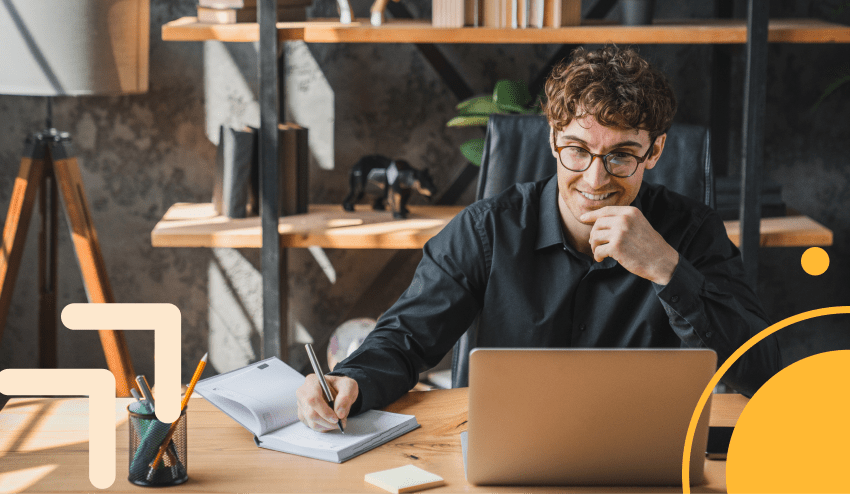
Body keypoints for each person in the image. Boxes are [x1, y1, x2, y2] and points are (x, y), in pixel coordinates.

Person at [296, 45, 782, 432]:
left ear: (655, 151)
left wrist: (668, 271)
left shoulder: (692, 232)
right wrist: (351, 380)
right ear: (552, 139)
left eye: (621, 155)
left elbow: (762, 372)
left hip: (641, 469)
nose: (595, 180)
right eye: (577, 150)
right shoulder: (487, 229)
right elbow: (403, 339)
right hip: (508, 463)